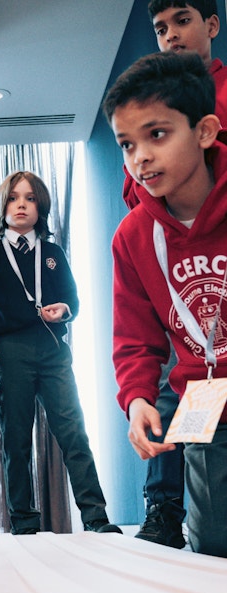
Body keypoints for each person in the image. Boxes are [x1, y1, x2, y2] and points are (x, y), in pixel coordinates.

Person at [103, 50, 227, 557]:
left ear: (204, 131)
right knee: (212, 544)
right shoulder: (133, 236)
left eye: (157, 135)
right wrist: (136, 401)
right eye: (127, 144)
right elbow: (134, 340)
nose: (141, 157)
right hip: (202, 394)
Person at [0, 172, 119, 535]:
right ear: (3, 206)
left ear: (40, 205)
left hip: (53, 348)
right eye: (13, 198)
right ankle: (24, 522)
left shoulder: (53, 253)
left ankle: (95, 517)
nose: (22, 204)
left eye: (29, 198)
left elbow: (72, 300)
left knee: (73, 431)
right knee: (15, 437)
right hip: (11, 350)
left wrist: (64, 310)